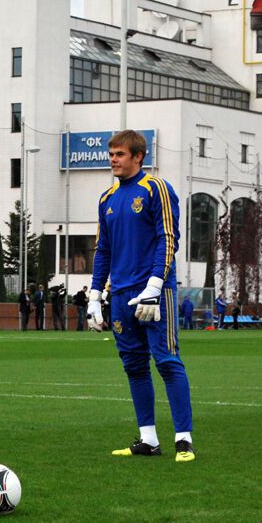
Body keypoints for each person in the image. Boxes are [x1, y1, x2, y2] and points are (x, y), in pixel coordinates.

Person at [86, 130, 195, 462]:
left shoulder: (156, 189)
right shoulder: (106, 199)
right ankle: (148, 440)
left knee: (166, 361)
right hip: (120, 294)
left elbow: (168, 238)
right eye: (111, 154)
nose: (113, 160)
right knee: (133, 365)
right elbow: (103, 249)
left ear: (138, 157)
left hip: (154, 292)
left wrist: (154, 286)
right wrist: (94, 294)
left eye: (119, 154)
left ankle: (183, 440)